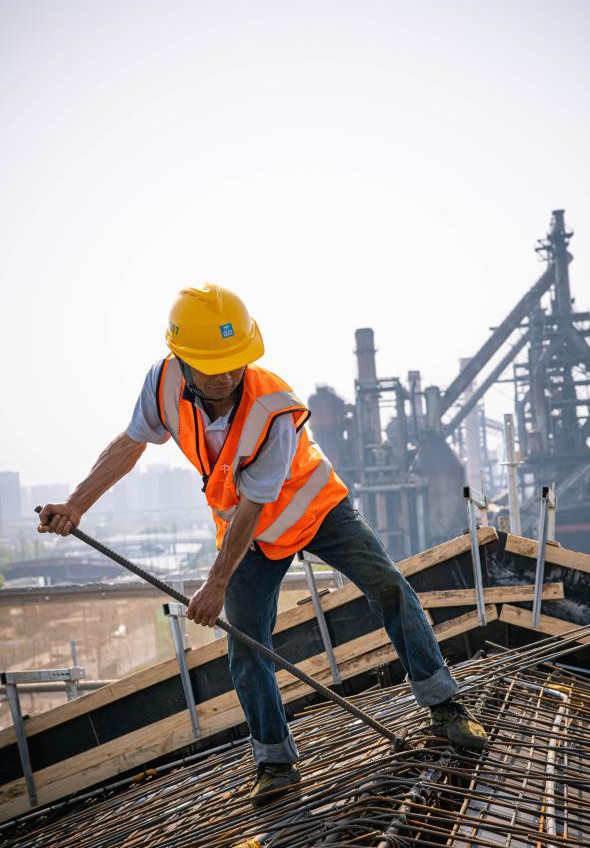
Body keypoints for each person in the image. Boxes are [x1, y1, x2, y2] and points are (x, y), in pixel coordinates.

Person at [38, 284, 488, 804]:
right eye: (212, 366)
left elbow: (255, 504)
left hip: (317, 510)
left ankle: (445, 706)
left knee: (388, 586)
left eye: (234, 363)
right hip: (248, 537)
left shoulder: (273, 407)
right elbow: (130, 443)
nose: (226, 376)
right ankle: (275, 762)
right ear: (182, 358)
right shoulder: (162, 383)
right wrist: (76, 504)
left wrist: (215, 583)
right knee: (247, 641)